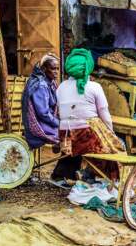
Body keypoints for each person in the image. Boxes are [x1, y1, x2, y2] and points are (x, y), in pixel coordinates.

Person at [51, 48, 125, 186]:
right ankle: (95, 176)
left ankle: (66, 174)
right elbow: (105, 115)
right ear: (88, 67)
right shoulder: (94, 87)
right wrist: (111, 133)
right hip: (85, 134)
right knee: (115, 148)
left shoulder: (61, 87)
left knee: (82, 144)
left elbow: (59, 112)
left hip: (65, 135)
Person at [22, 53, 60, 150]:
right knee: (68, 133)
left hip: (47, 121)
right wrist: (58, 123)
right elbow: (43, 113)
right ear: (44, 69)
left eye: (57, 69)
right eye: (53, 69)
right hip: (40, 124)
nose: (56, 72)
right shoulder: (41, 85)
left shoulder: (50, 82)